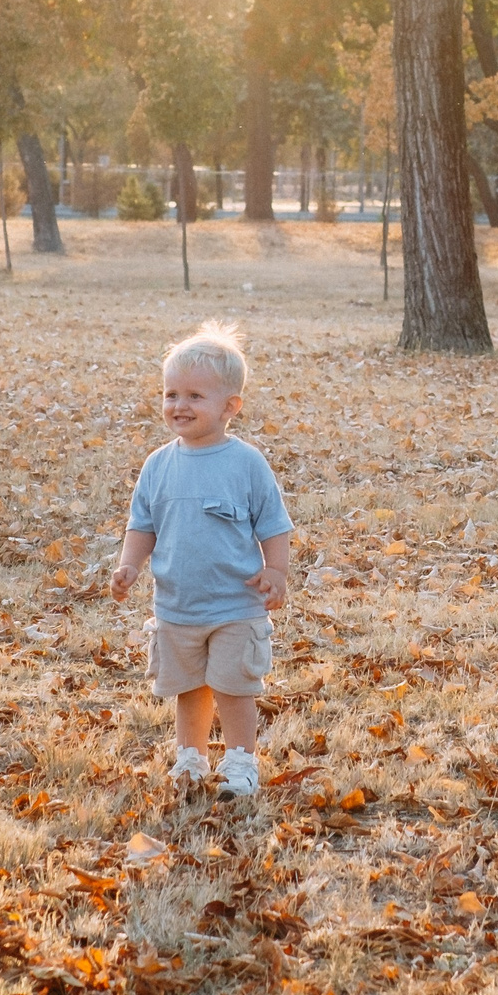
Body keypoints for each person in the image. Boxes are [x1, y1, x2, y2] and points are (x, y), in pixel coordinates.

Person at [111, 323, 293, 800]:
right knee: (189, 686)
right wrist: (130, 564)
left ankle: (240, 763)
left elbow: (274, 524)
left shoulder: (246, 463)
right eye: (170, 394)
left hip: (237, 602)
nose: (179, 405)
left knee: (234, 687)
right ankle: (190, 756)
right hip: (177, 604)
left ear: (230, 407)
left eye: (195, 395)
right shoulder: (158, 464)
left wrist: (275, 572)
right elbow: (142, 524)